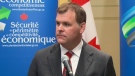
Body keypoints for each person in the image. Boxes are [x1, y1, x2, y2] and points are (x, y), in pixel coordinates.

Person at [28, 2, 116, 76]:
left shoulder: (102, 61)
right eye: (58, 23)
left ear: (82, 27)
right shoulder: (41, 58)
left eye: (66, 24)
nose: (60, 29)